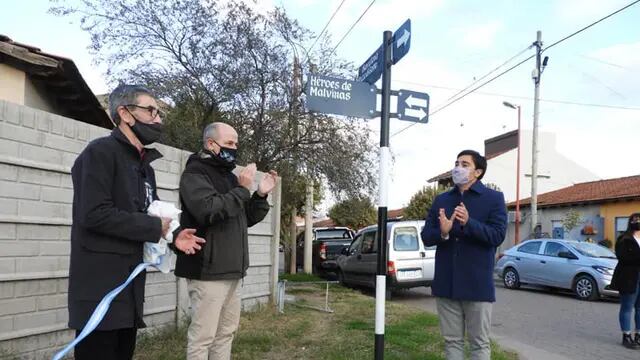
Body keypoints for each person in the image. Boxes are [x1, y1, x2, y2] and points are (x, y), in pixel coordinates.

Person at [68, 84, 205, 360]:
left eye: (158, 112)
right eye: (150, 110)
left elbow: (149, 212)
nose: (158, 119)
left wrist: (174, 236)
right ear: (125, 114)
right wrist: (155, 228)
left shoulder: (145, 167)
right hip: (100, 293)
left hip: (129, 293)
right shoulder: (99, 153)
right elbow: (94, 214)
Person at [175, 122, 278, 360]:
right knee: (203, 337)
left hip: (233, 271)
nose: (234, 148)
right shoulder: (195, 173)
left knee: (226, 333)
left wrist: (260, 194)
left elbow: (246, 217)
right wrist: (242, 190)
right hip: (208, 271)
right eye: (229, 143)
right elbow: (208, 210)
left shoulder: (230, 178)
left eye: (236, 144)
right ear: (211, 144)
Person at [421, 150, 507, 360]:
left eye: (465, 164)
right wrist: (443, 232)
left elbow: (497, 236)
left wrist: (469, 223)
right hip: (446, 283)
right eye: (457, 162)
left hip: (476, 285)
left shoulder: (493, 199)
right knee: (452, 341)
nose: (458, 167)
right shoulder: (442, 199)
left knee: (479, 343)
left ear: (477, 172)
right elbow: (426, 236)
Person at [610, 213, 640, 349]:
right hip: (629, 277)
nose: (637, 222)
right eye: (635, 220)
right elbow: (622, 257)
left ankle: (638, 335)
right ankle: (626, 336)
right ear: (630, 222)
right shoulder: (624, 239)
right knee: (627, 307)